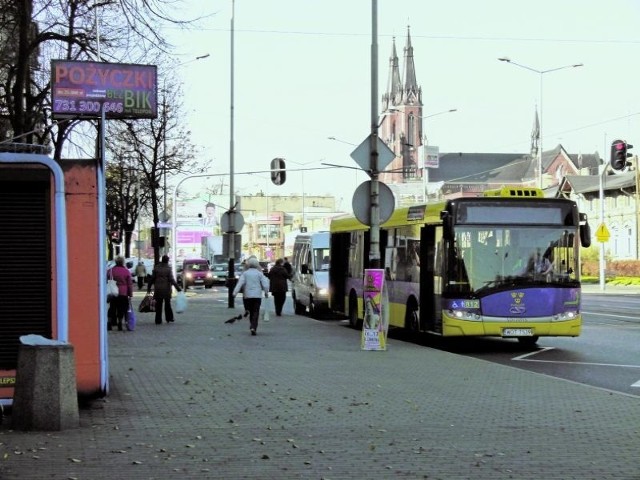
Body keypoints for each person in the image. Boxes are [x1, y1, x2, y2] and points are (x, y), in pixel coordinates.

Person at [232, 256, 269, 335]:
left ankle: (250, 319)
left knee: (251, 311)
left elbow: (240, 283)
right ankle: (253, 326)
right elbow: (265, 284)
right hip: (257, 296)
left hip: (247, 295)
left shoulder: (245, 274)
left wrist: (234, 293)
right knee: (256, 312)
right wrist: (266, 292)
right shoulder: (259, 274)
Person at [147, 254, 181, 325]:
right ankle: (169, 318)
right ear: (167, 261)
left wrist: (149, 287)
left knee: (159, 305)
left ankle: (158, 320)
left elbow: (152, 279)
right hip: (166, 290)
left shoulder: (156, 268)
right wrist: (178, 288)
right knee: (167, 304)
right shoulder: (168, 269)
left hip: (158, 289)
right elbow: (172, 280)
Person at [107, 256, 133, 331]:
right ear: (122, 262)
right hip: (123, 293)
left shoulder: (111, 270)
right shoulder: (126, 271)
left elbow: (106, 279)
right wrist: (130, 294)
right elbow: (129, 284)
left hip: (113, 292)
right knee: (121, 309)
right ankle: (119, 324)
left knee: (112, 308)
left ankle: (109, 323)